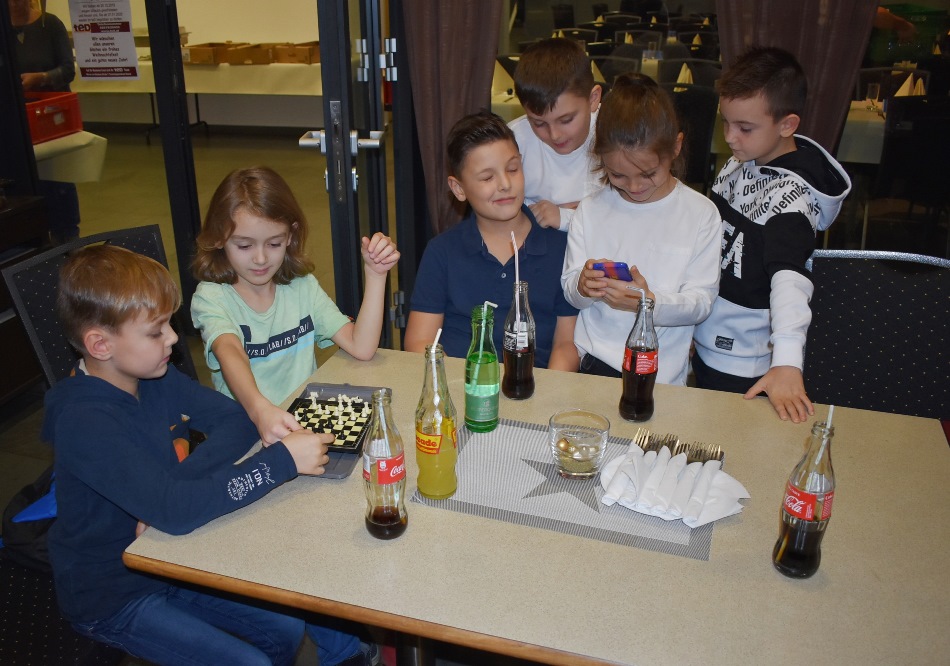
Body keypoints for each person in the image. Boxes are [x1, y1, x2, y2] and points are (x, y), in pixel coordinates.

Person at [44, 244, 358, 665]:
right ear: (100, 345)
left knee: (286, 629)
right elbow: (176, 512)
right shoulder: (84, 422)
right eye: (156, 331)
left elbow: (238, 421)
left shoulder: (153, 378)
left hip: (168, 560)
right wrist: (281, 461)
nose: (174, 338)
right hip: (113, 593)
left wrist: (169, 495)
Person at [692, 46, 851, 423]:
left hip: (747, 360)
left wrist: (787, 362)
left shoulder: (791, 202)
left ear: (787, 125)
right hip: (707, 339)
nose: (731, 137)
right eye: (726, 122)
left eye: (744, 128)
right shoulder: (741, 162)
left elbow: (791, 282)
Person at [191, 166, 399, 446]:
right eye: (244, 246)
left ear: (290, 236)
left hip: (303, 426)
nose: (261, 258)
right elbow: (229, 350)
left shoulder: (302, 286)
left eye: (274, 243)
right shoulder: (212, 297)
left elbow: (361, 347)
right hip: (245, 433)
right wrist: (261, 411)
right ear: (218, 238)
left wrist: (375, 275)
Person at [561, 73, 721, 386]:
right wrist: (582, 285)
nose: (634, 187)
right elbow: (570, 290)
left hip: (661, 376)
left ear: (676, 147)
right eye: (618, 175)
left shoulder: (701, 214)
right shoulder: (591, 209)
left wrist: (649, 303)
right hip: (594, 365)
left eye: (648, 174)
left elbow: (701, 302)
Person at [405, 110, 579, 371]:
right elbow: (419, 342)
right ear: (459, 189)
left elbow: (566, 344)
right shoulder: (442, 252)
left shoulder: (561, 248)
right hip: (459, 383)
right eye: (488, 177)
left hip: (534, 384)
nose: (505, 184)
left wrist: (550, 390)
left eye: (513, 169)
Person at [509, 37, 603, 231]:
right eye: (539, 123)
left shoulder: (616, 134)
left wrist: (566, 216)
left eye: (566, 120)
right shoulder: (513, 141)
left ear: (593, 99)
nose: (555, 135)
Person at [8, 0, 80, 245]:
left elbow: (68, 70)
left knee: (57, 178)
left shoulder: (50, 24)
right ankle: (31, 237)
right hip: (15, 119)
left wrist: (41, 78)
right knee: (22, 179)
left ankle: (67, 237)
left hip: (51, 117)